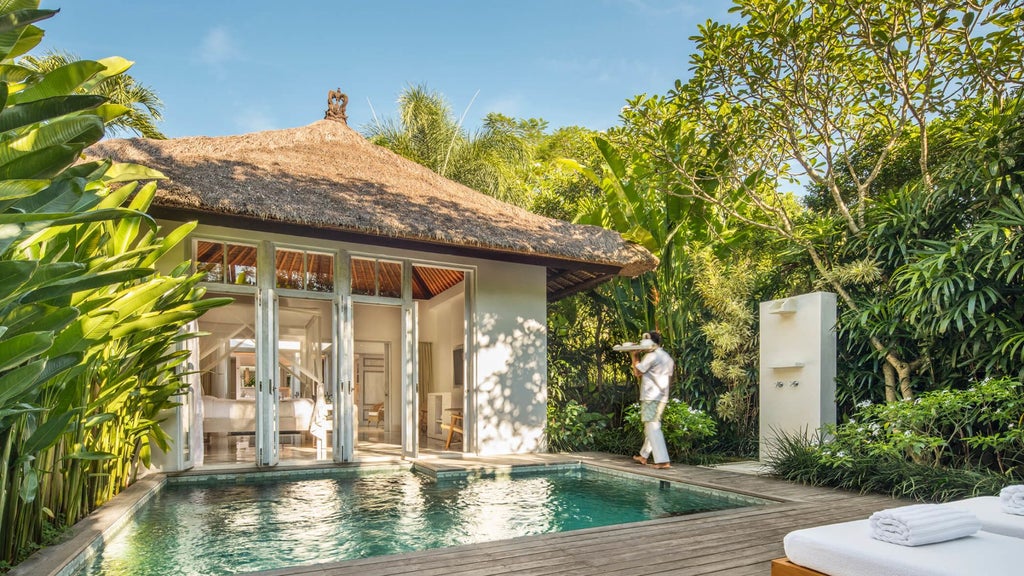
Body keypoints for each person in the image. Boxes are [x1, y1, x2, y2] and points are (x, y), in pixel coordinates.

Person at [630, 330, 675, 469]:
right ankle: (644, 455)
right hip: (662, 396)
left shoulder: (651, 356)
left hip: (651, 396)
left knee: (653, 426)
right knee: (650, 426)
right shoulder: (666, 356)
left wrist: (634, 356)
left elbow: (638, 372)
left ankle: (662, 461)